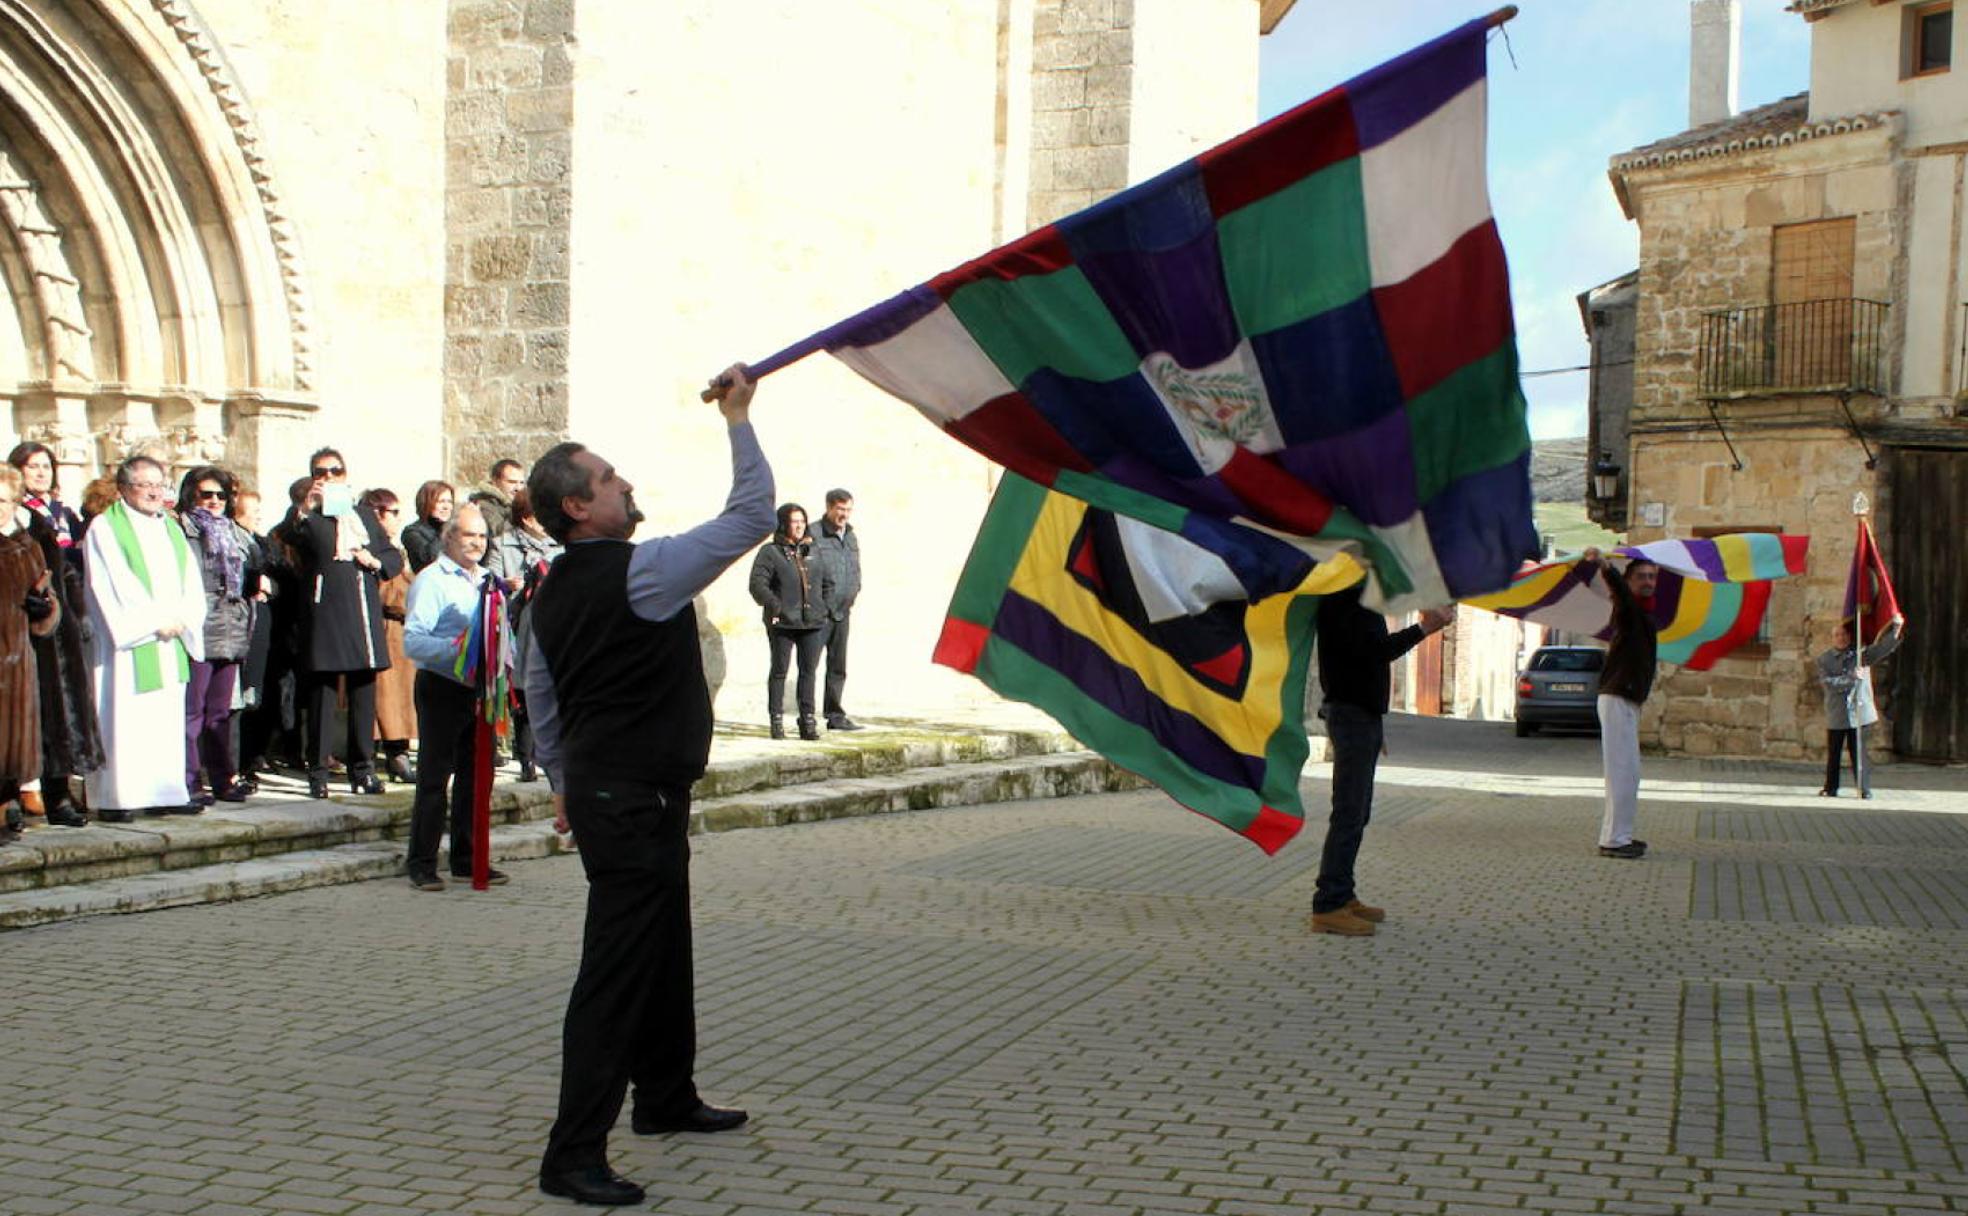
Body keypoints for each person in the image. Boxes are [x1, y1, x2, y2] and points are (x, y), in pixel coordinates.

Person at [526, 363, 772, 1207]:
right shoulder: (642, 570)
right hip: (628, 798)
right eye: (606, 479)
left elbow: (542, 692)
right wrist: (738, 418)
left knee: (664, 949)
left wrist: (561, 776)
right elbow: (752, 517)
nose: (624, 483)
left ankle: (665, 1097)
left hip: (625, 792)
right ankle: (571, 1156)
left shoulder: (550, 590)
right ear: (576, 508)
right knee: (617, 972)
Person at [1306, 585, 1452, 936]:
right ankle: (1329, 903)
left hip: (1362, 715)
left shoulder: (1360, 599)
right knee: (1349, 811)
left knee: (1359, 811)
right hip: (1350, 714)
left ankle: (1343, 892)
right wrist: (1424, 629)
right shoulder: (1343, 598)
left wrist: (1374, 723)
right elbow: (1373, 653)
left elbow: (1364, 664)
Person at [83, 455, 207, 821]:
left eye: (159, 484)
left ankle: (165, 790)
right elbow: (112, 584)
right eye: (144, 484)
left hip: (169, 643)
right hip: (129, 645)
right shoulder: (105, 528)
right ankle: (117, 798)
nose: (154, 492)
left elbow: (191, 581)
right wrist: (154, 622)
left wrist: (182, 619)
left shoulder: (170, 528)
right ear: (123, 488)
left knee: (165, 719)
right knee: (124, 718)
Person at [290, 448, 402, 799]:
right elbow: (291, 542)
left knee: (362, 692)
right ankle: (318, 772)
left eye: (334, 470)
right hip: (326, 611)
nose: (327, 476)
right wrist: (305, 510)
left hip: (360, 610)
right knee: (322, 694)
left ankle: (363, 769)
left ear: (345, 473)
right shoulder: (307, 516)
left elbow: (392, 555)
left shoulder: (364, 515)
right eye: (319, 471)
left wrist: (374, 561)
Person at [402, 504, 504, 891]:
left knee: (476, 778)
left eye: (481, 536)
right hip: (443, 686)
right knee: (434, 778)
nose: (476, 543)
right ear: (449, 539)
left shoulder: (487, 579)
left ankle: (468, 858)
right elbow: (414, 640)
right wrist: (460, 650)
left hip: (481, 690)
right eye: (468, 535)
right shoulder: (432, 581)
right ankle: (422, 863)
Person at [9, 443, 100, 825]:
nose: (41, 472)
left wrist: (75, 614)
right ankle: (15, 795)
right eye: (33, 466)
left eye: (47, 465)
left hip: (53, 631)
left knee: (60, 713)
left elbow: (66, 574)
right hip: (16, 636)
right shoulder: (23, 521)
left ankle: (59, 793)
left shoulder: (47, 523)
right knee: (20, 718)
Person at [177, 466, 257, 805]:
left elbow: (256, 565)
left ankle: (223, 778)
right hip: (199, 625)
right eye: (205, 494)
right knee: (193, 710)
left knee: (220, 712)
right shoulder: (182, 530)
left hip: (231, 626)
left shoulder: (235, 533)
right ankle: (190, 780)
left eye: (220, 495)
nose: (213, 501)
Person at [1581, 547, 1658, 860]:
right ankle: (1614, 840)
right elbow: (1620, 596)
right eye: (1641, 576)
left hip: (1625, 699)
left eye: (1652, 576)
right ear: (1628, 581)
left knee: (1628, 772)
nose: (1648, 581)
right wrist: (1605, 566)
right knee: (1622, 771)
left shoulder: (1643, 613)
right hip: (1617, 697)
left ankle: (1618, 835)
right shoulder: (1627, 609)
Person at [1, 465, 61, 841]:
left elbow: (50, 604)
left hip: (15, 663)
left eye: (4, 500)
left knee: (8, 744)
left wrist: (44, 608)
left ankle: (7, 803)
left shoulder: (28, 546)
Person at [487, 488, 562, 782]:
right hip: (519, 625)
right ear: (529, 518)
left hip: (553, 625)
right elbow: (492, 584)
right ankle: (525, 757)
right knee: (523, 691)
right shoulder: (501, 544)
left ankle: (550, 752)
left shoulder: (559, 545)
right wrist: (510, 585)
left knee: (551, 688)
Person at [748, 502, 833, 741]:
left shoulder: (813, 549)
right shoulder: (770, 552)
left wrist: (824, 607)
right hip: (782, 622)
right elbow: (757, 584)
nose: (799, 526)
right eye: (794, 521)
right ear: (784, 524)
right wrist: (775, 605)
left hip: (812, 622)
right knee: (779, 671)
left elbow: (827, 582)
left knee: (809, 672)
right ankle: (776, 720)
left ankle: (807, 720)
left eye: (802, 521)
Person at [1816, 613, 1905, 799]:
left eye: (1844, 635)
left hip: (1860, 713)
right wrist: (1850, 678)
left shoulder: (1861, 655)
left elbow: (1883, 649)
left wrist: (1895, 628)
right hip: (1837, 714)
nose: (1841, 638)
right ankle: (1830, 788)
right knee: (1834, 754)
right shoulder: (1824, 659)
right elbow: (1828, 683)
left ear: (1849, 637)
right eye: (1837, 635)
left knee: (1859, 754)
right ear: (1832, 638)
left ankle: (1863, 789)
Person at [363, 488, 417, 783]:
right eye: (393, 513)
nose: (398, 519)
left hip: (399, 632)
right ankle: (374, 758)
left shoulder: (393, 549)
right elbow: (387, 592)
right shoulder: (369, 548)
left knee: (399, 700)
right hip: (383, 627)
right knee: (381, 698)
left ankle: (398, 753)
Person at [813, 488, 862, 731]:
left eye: (848, 510)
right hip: (819, 612)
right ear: (829, 507)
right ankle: (806, 715)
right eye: (840, 509)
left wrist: (856, 589)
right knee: (809, 665)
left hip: (843, 612)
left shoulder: (851, 535)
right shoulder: (813, 534)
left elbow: (854, 567)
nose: (845, 515)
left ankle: (835, 715)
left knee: (837, 666)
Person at [402, 479, 454, 573]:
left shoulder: (454, 530)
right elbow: (430, 558)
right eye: (441, 501)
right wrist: (444, 530)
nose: (446, 507)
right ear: (426, 502)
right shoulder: (412, 532)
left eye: (449, 502)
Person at [471, 458, 525, 541]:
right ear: (495, 481)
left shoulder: (520, 503)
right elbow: (500, 534)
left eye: (521, 483)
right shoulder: (483, 504)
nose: (518, 488)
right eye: (512, 482)